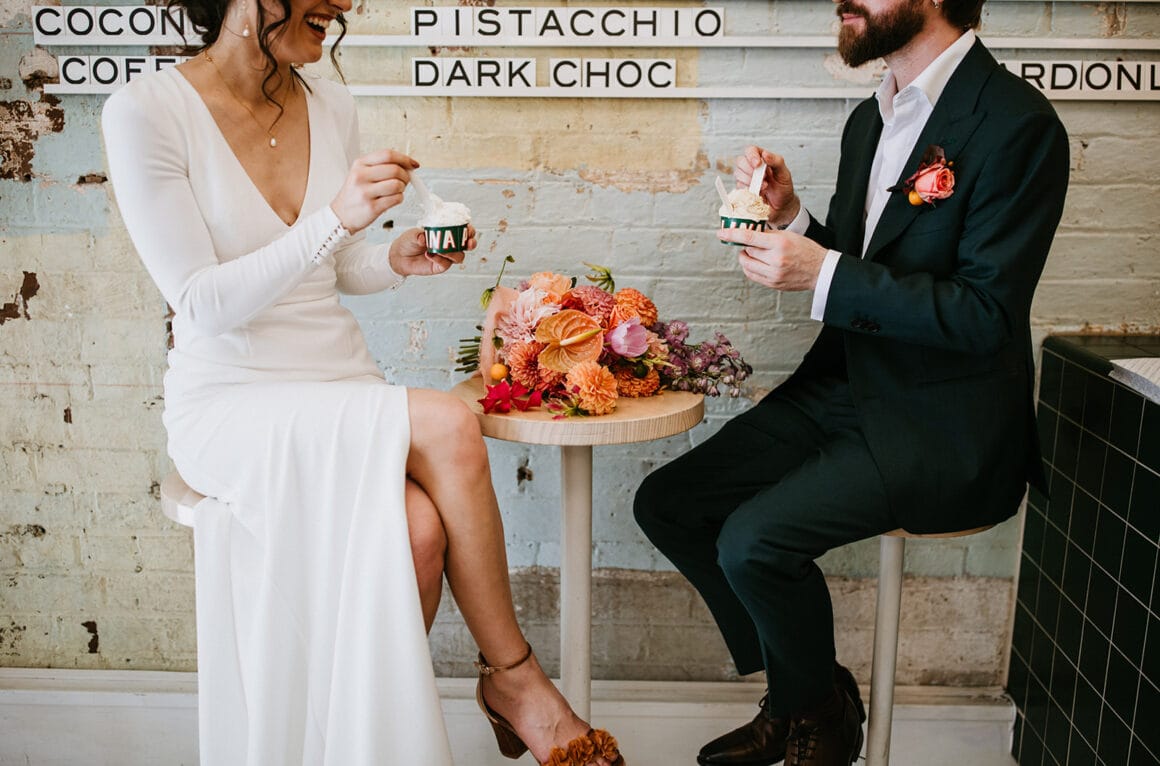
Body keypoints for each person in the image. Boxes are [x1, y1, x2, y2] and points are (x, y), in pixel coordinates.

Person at [100, 0, 626, 764]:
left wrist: (394, 258)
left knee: (418, 533)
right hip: (232, 398)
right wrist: (335, 219)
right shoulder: (145, 110)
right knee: (449, 422)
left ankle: (350, 744)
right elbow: (200, 301)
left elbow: (334, 268)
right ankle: (516, 681)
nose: (344, 4)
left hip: (335, 380)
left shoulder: (330, 102)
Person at [634, 1, 1069, 764]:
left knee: (752, 543)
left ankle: (808, 717)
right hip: (841, 386)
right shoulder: (870, 121)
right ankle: (812, 693)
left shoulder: (1018, 124)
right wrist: (795, 221)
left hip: (940, 419)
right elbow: (868, 265)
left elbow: (985, 315)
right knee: (669, 504)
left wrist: (823, 271)